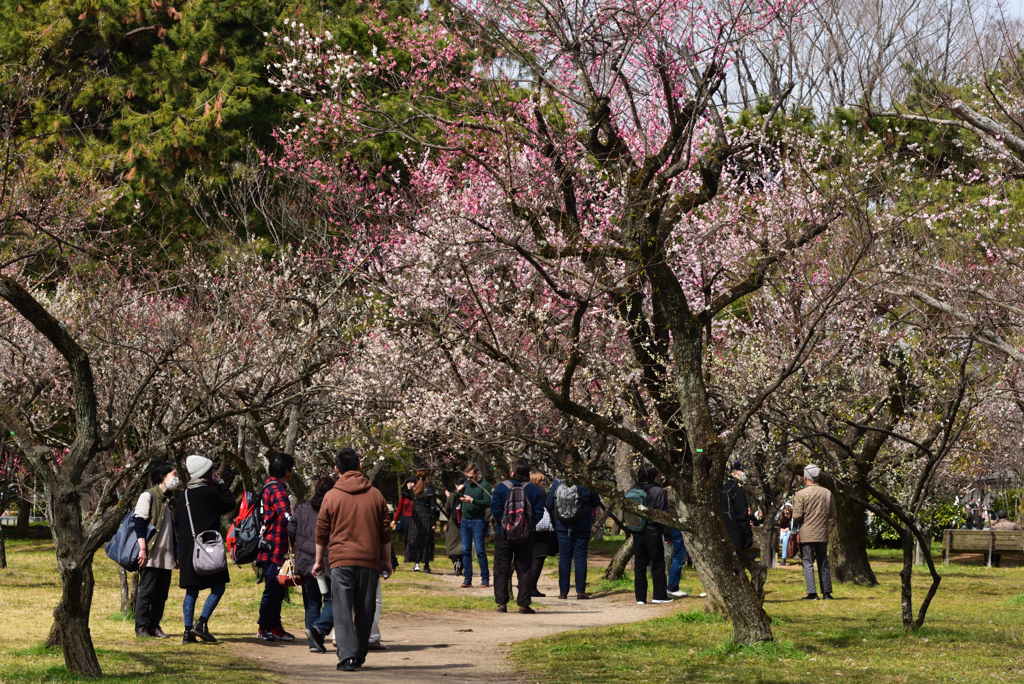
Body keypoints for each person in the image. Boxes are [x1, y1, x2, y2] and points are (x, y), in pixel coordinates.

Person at [312, 448, 392, 672]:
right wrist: (386, 559)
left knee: (342, 610)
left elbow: (321, 532)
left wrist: (319, 561)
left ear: (336, 469)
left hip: (340, 561)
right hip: (369, 560)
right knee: (366, 610)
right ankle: (359, 655)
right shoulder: (376, 495)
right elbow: (385, 531)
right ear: (360, 466)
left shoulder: (331, 496)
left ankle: (347, 657)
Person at [177, 454, 235, 645]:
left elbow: (178, 522)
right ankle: (201, 623)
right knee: (218, 586)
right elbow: (230, 503)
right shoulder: (210, 493)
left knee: (191, 591)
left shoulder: (183, 495)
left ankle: (187, 633)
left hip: (189, 550)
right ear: (206, 474)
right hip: (208, 548)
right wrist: (222, 484)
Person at [490, 458, 544, 613]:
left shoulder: (501, 487)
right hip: (525, 536)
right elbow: (539, 511)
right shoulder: (533, 489)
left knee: (501, 568)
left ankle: (502, 604)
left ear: (512, 472)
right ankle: (523, 604)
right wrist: (528, 526)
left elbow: (495, 508)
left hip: (503, 534)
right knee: (524, 568)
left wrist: (504, 524)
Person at [290, 475, 336, 653]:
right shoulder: (335, 510)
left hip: (307, 563)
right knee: (333, 600)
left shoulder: (302, 509)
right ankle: (319, 630)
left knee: (311, 602)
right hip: (328, 562)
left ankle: (313, 643)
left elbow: (290, 529)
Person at [133, 462, 179, 639]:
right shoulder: (148, 496)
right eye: (174, 474)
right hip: (151, 553)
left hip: (166, 554)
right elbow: (139, 523)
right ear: (162, 476)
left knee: (161, 595)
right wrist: (142, 549)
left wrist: (176, 555)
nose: (176, 478)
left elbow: (173, 530)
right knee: (146, 592)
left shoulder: (170, 500)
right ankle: (141, 627)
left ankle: (154, 626)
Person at [256, 452, 296, 642]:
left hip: (272, 545)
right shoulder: (277, 490)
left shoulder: (270, 486)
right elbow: (286, 516)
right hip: (275, 546)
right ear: (286, 470)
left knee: (278, 589)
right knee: (273, 588)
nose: (293, 471)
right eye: (292, 468)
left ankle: (274, 626)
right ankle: (264, 627)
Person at [546, 473, 602, 600]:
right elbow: (596, 501)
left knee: (564, 559)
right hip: (582, 527)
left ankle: (563, 592)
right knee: (580, 558)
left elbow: (548, 504)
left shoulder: (557, 482)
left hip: (563, 527)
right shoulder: (586, 482)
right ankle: (580, 592)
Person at [792, 463, 837, 600]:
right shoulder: (827, 493)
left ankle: (812, 593)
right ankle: (827, 593)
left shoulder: (800, 494)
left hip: (806, 533)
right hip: (822, 532)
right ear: (818, 478)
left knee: (808, 562)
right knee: (823, 562)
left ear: (805, 477)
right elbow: (833, 514)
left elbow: (796, 516)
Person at [632, 463, 674, 606]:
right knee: (657, 564)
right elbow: (663, 514)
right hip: (653, 531)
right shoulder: (658, 491)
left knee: (640, 566)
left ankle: (640, 598)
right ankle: (659, 595)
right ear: (653, 476)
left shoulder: (633, 490)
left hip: (637, 531)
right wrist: (667, 535)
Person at [459, 463, 492, 589]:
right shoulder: (466, 484)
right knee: (466, 550)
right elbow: (460, 498)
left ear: (477, 474)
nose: (468, 479)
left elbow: (488, 502)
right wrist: (459, 493)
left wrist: (472, 500)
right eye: (467, 476)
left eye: (471, 477)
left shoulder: (484, 485)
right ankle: (467, 578)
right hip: (465, 521)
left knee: (480, 551)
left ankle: (485, 579)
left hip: (478, 521)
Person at [529, 471, 557, 597]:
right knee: (538, 558)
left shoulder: (527, 491)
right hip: (541, 530)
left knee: (532, 558)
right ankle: (532, 587)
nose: (543, 482)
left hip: (532, 528)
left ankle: (528, 585)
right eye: (540, 480)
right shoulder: (540, 493)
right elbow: (548, 505)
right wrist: (552, 491)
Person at [405, 469, 437, 573]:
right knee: (426, 541)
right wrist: (434, 522)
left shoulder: (413, 490)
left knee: (416, 540)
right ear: (426, 478)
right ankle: (426, 565)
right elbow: (432, 507)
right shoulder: (430, 491)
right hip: (426, 517)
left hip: (416, 517)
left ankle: (416, 563)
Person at [664, 485, 690, 598]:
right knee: (679, 557)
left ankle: (672, 586)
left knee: (679, 557)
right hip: (679, 526)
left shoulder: (672, 490)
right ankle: (672, 587)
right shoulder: (676, 492)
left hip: (677, 526)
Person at [722, 461, 753, 554]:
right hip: (735, 536)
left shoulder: (723, 489)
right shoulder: (737, 490)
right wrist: (748, 536)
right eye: (742, 470)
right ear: (735, 472)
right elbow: (742, 515)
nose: (744, 473)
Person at [443, 479, 465, 575]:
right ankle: (461, 565)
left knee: (451, 546)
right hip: (465, 522)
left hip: (453, 524)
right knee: (464, 547)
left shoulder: (452, 496)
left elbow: (447, 509)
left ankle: (456, 562)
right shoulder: (468, 495)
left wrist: (448, 498)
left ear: (456, 485)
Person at [391, 476, 415, 541]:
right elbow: (399, 508)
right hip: (406, 519)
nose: (410, 484)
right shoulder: (404, 495)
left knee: (414, 539)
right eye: (408, 482)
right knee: (406, 539)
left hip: (415, 519)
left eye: (412, 482)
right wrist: (394, 520)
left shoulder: (417, 495)